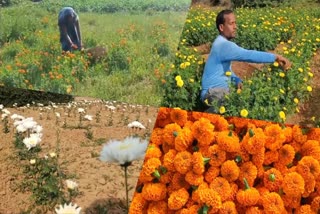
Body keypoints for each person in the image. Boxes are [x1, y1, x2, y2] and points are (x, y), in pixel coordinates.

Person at [200, 9, 291, 112]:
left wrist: (237, 80)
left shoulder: (220, 42)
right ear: (221, 27)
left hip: (217, 91)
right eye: (231, 23)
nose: (235, 27)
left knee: (241, 98)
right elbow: (248, 55)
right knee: (238, 101)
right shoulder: (223, 45)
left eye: (235, 23)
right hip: (212, 93)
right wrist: (275, 57)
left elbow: (226, 71)